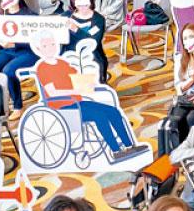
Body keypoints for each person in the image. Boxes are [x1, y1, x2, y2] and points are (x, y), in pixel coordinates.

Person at [29, 30, 150, 163]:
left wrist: (88, 83)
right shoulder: (42, 68)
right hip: (62, 107)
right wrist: (74, 90)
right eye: (45, 46)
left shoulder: (62, 63)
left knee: (113, 111)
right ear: (38, 49)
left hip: (77, 102)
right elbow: (53, 93)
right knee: (100, 115)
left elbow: (77, 79)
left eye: (52, 44)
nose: (50, 48)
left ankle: (130, 146)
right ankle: (116, 151)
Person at [0, 0, 34, 112]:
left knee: (8, 70)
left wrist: (15, 43)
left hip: (26, 52)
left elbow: (35, 40)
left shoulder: (29, 15)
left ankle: (17, 106)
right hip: (7, 51)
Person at [64, 0, 109, 82]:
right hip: (69, 56)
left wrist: (76, 29)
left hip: (92, 57)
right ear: (73, 1)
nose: (82, 2)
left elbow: (93, 42)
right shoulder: (66, 16)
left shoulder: (98, 19)